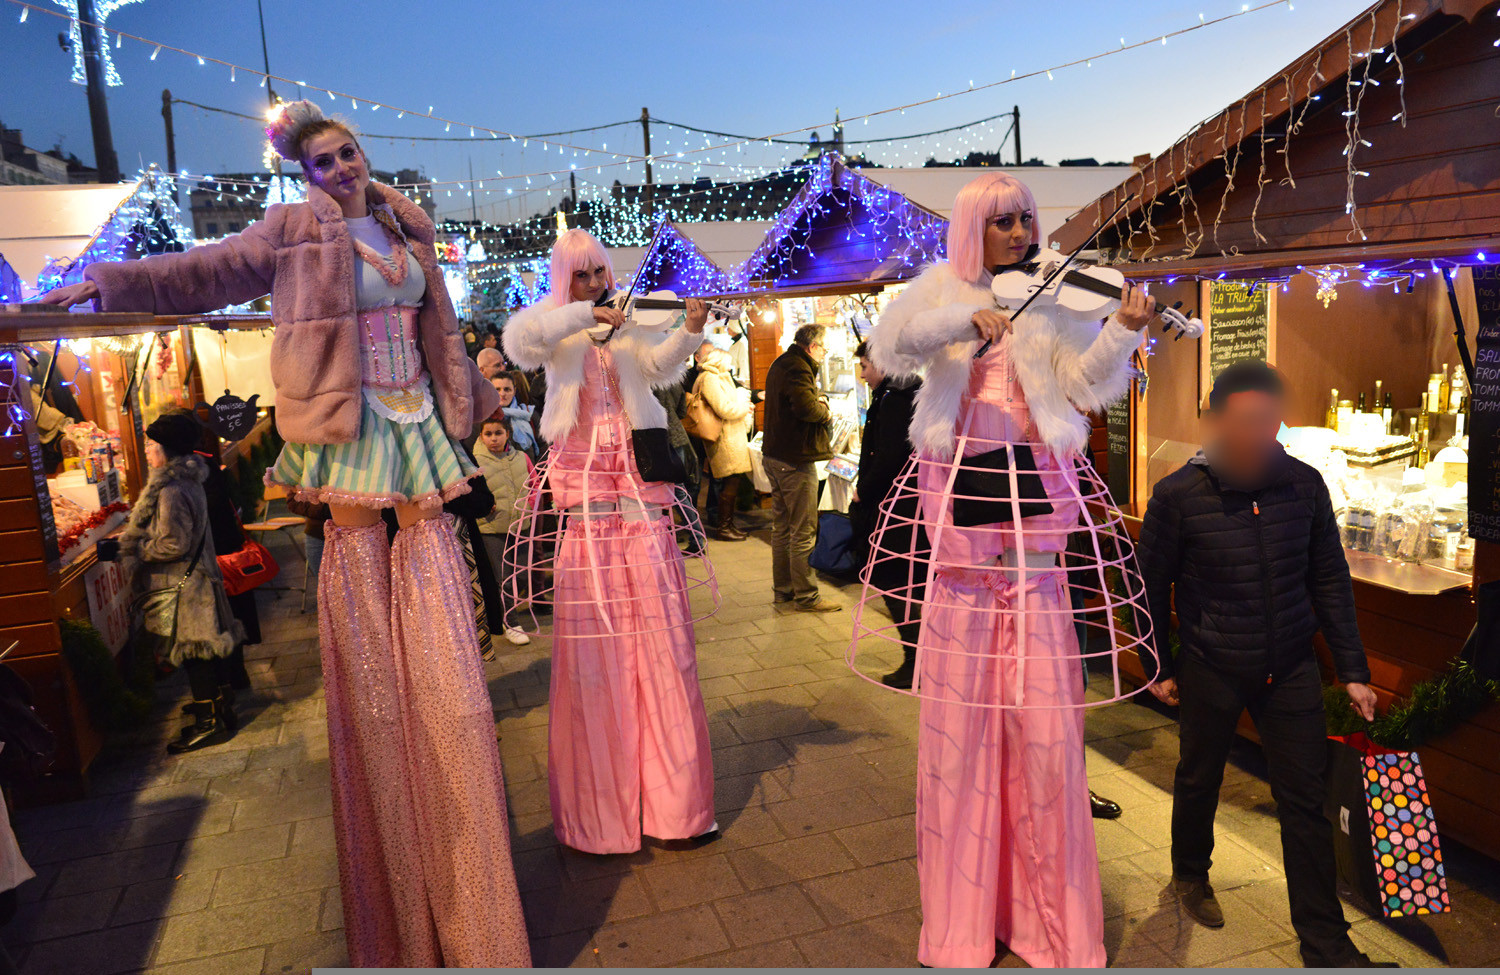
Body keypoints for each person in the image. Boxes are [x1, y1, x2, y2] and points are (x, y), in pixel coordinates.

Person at [43, 101, 529, 968]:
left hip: (415, 415)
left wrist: (489, 410)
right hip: (346, 424)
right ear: (301, 177)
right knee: (363, 587)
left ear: (362, 152)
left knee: (433, 582)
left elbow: (443, 335)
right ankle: (386, 720)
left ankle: (444, 705)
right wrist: (114, 282)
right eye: (322, 164)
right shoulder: (289, 233)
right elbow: (205, 272)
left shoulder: (405, 226)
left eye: (348, 154)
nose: (341, 170)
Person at [862, 171, 1156, 968]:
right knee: (962, 735)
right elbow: (889, 347)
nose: (1022, 234)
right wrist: (967, 315)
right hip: (964, 527)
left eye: (1027, 219)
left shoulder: (1052, 291)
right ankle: (962, 924)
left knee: (1045, 733)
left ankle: (1049, 925)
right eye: (1004, 223)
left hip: (1036, 528)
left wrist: (1124, 331)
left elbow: (1086, 386)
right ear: (973, 230)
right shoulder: (936, 292)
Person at [1136, 362, 1392, 968]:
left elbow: (1329, 579)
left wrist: (1353, 669)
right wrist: (1159, 664)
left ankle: (1325, 944)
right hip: (1211, 663)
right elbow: (1148, 586)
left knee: (1305, 803)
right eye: (1244, 418)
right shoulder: (1179, 494)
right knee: (1200, 776)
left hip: (1291, 666)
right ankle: (1191, 874)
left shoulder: (1304, 485)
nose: (1258, 430)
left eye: (1267, 418)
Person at [503, 228, 718, 855]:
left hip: (640, 486)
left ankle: (678, 810)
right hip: (583, 491)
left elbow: (660, 366)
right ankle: (601, 817)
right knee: (594, 658)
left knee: (664, 646)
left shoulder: (628, 321)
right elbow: (521, 342)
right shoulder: (554, 325)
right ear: (566, 280)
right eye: (584, 275)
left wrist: (691, 331)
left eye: (602, 273)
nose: (599, 284)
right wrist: (580, 314)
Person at [113, 410, 245, 753]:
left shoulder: (171, 490)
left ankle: (209, 723)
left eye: (150, 444)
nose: (145, 450)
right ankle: (219, 708)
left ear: (166, 449)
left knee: (195, 653)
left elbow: (174, 543)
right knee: (204, 651)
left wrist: (135, 548)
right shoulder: (190, 480)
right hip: (198, 580)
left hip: (185, 585)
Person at [848, 340, 924, 686]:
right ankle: (921, 657)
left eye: (865, 366)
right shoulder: (904, 394)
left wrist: (864, 490)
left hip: (897, 507)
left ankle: (916, 658)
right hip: (910, 503)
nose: (862, 375)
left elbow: (890, 455)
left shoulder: (895, 401)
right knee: (909, 583)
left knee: (896, 581)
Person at [763, 324, 839, 612]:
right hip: (794, 458)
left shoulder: (783, 362)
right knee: (803, 531)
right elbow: (807, 408)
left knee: (782, 528)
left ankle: (784, 590)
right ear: (812, 347)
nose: (825, 353)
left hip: (776, 456)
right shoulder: (798, 367)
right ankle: (807, 596)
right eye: (824, 348)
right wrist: (826, 410)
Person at [474, 414, 533, 646]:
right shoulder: (475, 460)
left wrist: (531, 505)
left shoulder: (521, 457)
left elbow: (534, 482)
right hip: (492, 527)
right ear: (481, 436)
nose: (494, 438)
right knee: (504, 579)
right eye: (488, 434)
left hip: (521, 525)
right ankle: (511, 623)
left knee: (520, 575)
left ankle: (507, 615)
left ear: (507, 434)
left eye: (498, 433)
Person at [693, 346, 754, 541]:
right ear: (719, 361)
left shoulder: (716, 377)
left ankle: (728, 524)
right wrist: (744, 407)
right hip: (725, 437)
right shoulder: (710, 379)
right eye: (727, 362)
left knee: (732, 481)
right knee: (730, 482)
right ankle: (724, 527)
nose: (730, 367)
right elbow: (724, 408)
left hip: (730, 435)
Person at [491, 373, 538, 456]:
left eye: (507, 389)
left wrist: (539, 468)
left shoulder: (529, 413)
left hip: (531, 467)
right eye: (497, 389)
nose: (502, 394)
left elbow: (544, 445)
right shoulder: (483, 418)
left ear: (514, 391)